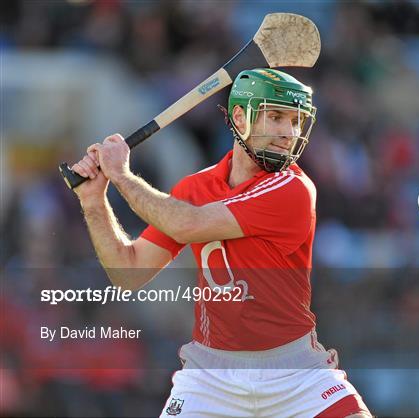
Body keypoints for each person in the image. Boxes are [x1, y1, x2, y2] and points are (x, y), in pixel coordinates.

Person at [72, 68, 372, 418]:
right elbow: (128, 273)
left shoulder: (293, 189)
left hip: (294, 371)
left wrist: (121, 175)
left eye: (295, 120)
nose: (288, 133)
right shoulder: (194, 188)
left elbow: (186, 223)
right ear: (240, 117)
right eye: (275, 117)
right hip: (210, 376)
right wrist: (93, 202)